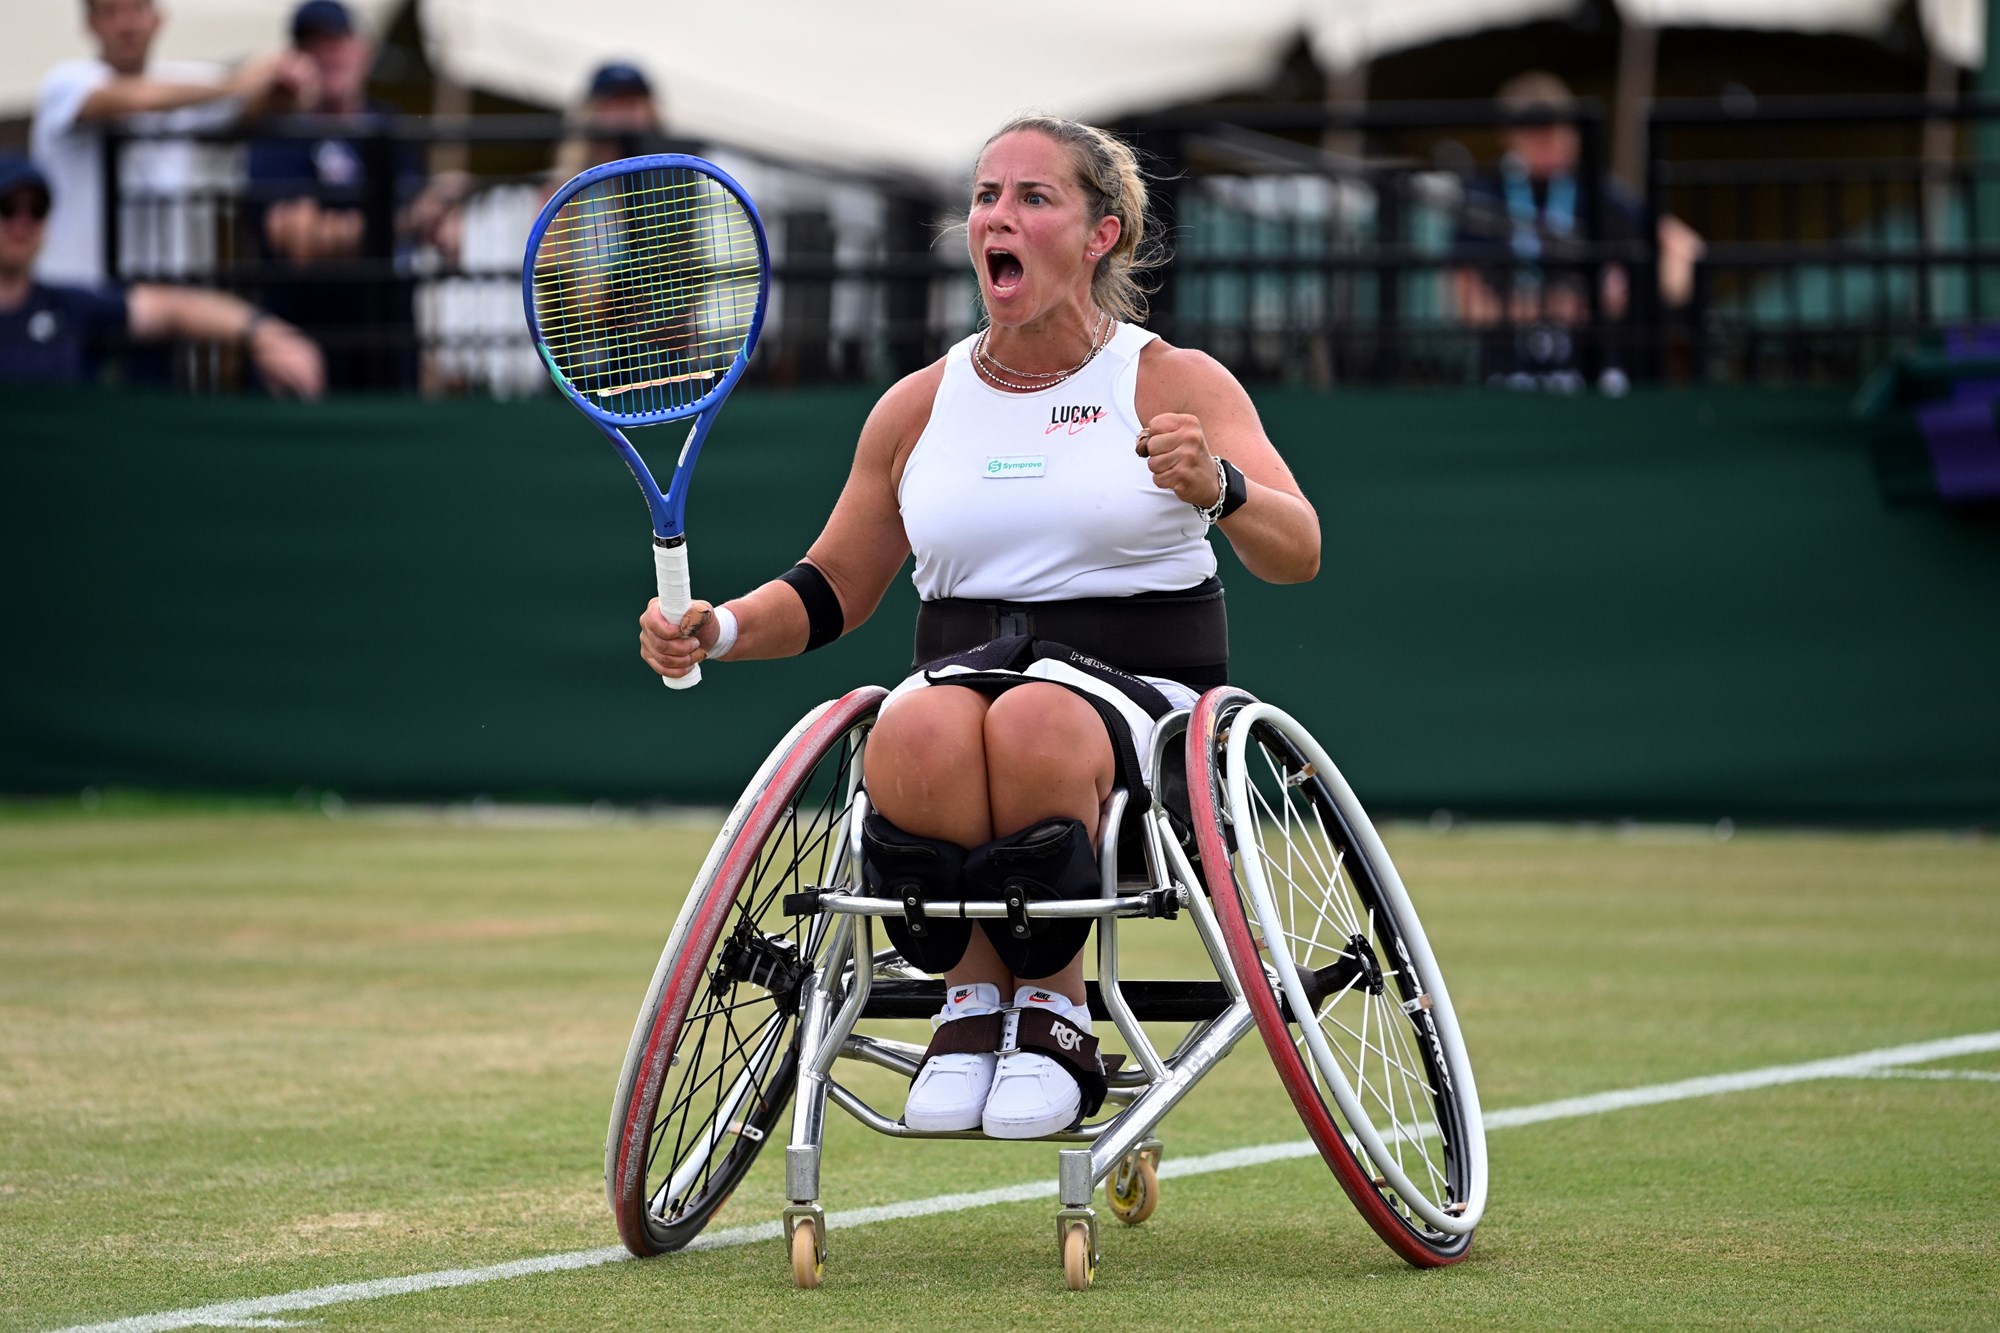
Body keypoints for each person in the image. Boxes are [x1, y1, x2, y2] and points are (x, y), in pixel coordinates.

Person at [637, 116, 1320, 1139]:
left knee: (1036, 720)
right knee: (908, 730)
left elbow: (1296, 547)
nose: (997, 217)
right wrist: (719, 628)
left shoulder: (1172, 381)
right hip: (958, 687)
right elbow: (832, 587)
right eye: (985, 196)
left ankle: (1050, 1006)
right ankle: (968, 1006)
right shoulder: (916, 405)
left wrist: (1217, 487)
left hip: (1136, 705)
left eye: (1032, 197)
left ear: (1102, 234)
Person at [246, 0, 463, 391]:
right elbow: (299, 242)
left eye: (337, 42)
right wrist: (405, 221)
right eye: (314, 47)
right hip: (307, 346)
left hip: (390, 345)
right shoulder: (278, 136)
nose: (328, 56)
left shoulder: (389, 126)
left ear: (362, 50)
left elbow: (428, 215)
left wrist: (442, 214)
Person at [1453, 71, 1704, 392]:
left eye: (1556, 129)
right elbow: (1467, 307)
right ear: (1510, 135)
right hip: (1509, 376)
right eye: (1534, 131)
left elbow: (1686, 253)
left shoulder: (1603, 195)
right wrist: (1555, 307)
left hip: (1598, 376)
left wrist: (1633, 295)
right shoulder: (1482, 197)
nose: (1548, 142)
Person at [31, 0, 307, 288]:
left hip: (161, 298)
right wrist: (239, 82)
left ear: (158, 19)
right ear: (90, 24)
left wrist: (285, 78)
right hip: (77, 291)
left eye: (137, 9)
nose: (126, 25)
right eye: (110, 12)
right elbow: (135, 99)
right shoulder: (66, 81)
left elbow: (261, 105)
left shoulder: (188, 85)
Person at [0, 153, 322, 397]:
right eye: (8, 208)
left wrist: (267, 334)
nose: (22, 223)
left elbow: (173, 309)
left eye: (37, 210)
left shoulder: (66, 307)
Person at [546, 61, 672, 197]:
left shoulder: (676, 178)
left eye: (632, 103)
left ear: (651, 112)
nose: (624, 115)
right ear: (591, 112)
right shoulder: (557, 187)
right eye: (614, 104)